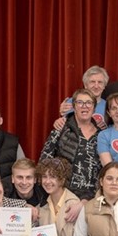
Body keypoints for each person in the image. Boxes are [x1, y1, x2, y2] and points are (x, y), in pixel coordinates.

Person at [40, 89, 103, 222]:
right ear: (73, 106)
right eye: (80, 102)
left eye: (88, 103)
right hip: (63, 196)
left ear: (94, 107)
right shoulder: (62, 128)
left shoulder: (102, 134)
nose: (84, 106)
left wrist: (86, 201)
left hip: (91, 199)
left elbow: (103, 170)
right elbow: (44, 162)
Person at [55, 65, 110, 130]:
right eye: (92, 82)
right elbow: (65, 125)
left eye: (100, 82)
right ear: (85, 85)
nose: (96, 86)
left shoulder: (108, 105)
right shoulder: (73, 102)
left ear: (104, 86)